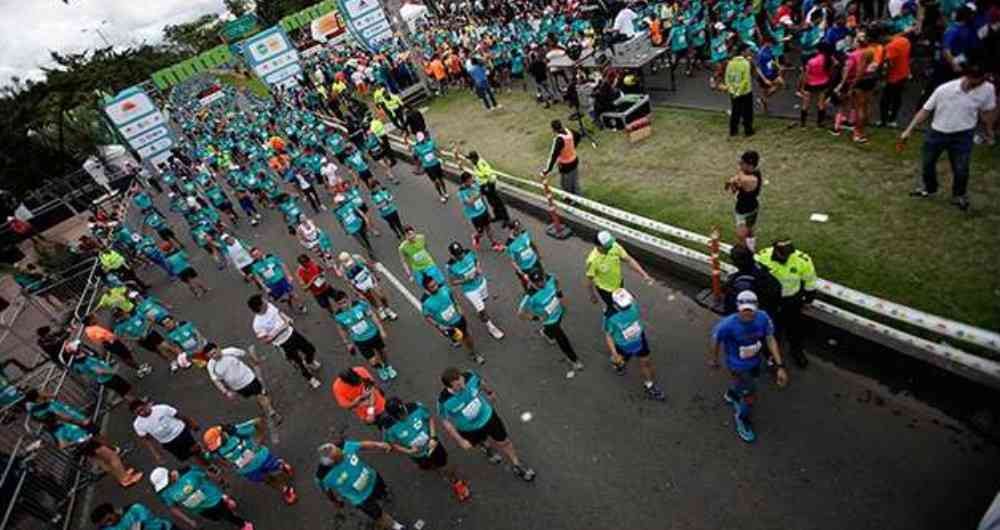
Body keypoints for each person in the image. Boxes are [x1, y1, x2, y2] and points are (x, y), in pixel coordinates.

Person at [901, 60, 995, 211]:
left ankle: (959, 195)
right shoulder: (944, 89)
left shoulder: (988, 89)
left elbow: (987, 111)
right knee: (928, 163)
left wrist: (989, 132)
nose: (978, 84)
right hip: (937, 132)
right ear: (967, 76)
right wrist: (909, 130)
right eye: (974, 80)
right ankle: (929, 188)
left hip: (963, 135)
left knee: (961, 168)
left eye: (981, 80)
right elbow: (925, 110)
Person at [709, 290, 789, 443]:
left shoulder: (763, 317)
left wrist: (780, 366)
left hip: (755, 361)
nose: (747, 315)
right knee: (750, 397)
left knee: (747, 383)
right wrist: (714, 359)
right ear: (737, 307)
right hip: (738, 366)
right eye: (744, 310)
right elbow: (715, 338)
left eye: (751, 310)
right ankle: (742, 419)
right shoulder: (728, 324)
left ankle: (733, 394)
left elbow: (770, 338)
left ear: (757, 307)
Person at [437, 368, 536, 481]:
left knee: (504, 441)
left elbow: (480, 382)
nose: (463, 386)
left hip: (488, 417)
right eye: (458, 386)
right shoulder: (443, 401)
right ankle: (487, 448)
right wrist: (460, 440)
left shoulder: (470, 377)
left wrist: (489, 392)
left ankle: (517, 464)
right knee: (481, 441)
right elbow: (445, 421)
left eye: (462, 381)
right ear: (449, 387)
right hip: (469, 429)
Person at [382, 397, 471, 501]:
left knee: (445, 465)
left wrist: (433, 437)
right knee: (429, 467)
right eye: (399, 416)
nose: (403, 416)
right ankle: (438, 470)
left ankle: (457, 483)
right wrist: (408, 451)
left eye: (403, 412)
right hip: (417, 455)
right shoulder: (388, 426)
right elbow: (391, 444)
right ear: (392, 416)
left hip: (433, 446)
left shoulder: (415, 407)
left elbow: (429, 418)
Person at [315, 440, 407, 530]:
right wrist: (334, 501)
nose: (343, 454)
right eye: (339, 457)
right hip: (361, 499)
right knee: (378, 515)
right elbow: (325, 490)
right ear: (331, 463)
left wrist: (379, 445)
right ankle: (396, 526)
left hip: (373, 479)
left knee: (383, 492)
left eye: (340, 451)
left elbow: (362, 445)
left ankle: (384, 495)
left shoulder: (343, 446)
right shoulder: (323, 477)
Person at [202, 418, 297, 504]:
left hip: (261, 457)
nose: (218, 446)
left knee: (276, 466)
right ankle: (286, 490)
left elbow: (256, 425)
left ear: (223, 433)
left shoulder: (235, 432)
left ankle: (282, 465)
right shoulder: (215, 451)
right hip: (248, 470)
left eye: (218, 442)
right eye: (215, 446)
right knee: (266, 480)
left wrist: (257, 441)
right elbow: (209, 457)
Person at [755, 239, 818, 368]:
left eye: (789, 253)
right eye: (784, 254)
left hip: (792, 300)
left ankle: (796, 351)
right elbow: (755, 275)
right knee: (771, 329)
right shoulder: (763, 256)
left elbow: (810, 281)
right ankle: (772, 355)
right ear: (775, 251)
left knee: (795, 329)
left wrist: (809, 300)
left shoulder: (802, 260)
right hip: (770, 300)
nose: (788, 256)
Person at [517, 270, 584, 379]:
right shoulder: (530, 296)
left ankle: (545, 332)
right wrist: (535, 318)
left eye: (542, 280)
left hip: (559, 312)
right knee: (562, 339)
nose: (541, 284)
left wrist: (559, 293)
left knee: (554, 329)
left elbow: (556, 281)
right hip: (549, 321)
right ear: (531, 283)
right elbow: (520, 313)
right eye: (537, 283)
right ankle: (574, 360)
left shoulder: (549, 279)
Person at [603, 288, 666, 401]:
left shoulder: (633, 305)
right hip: (622, 346)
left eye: (628, 304)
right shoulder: (610, 318)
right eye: (624, 306)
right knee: (621, 361)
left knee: (646, 362)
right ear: (615, 305)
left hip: (639, 339)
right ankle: (618, 365)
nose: (627, 307)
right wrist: (614, 353)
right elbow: (608, 335)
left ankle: (649, 385)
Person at [248, 294, 322, 389]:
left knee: (310, 349)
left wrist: (286, 318)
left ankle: (310, 362)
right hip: (282, 343)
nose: (266, 301)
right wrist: (281, 329)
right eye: (263, 301)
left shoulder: (269, 306)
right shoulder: (257, 324)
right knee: (298, 362)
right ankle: (310, 379)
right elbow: (265, 340)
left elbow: (279, 313)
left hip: (292, 333)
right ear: (260, 306)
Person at [150, 466, 254, 530]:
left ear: (169, 475)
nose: (166, 486)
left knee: (227, 515)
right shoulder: (165, 493)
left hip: (213, 499)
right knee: (217, 518)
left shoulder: (188, 472)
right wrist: (188, 521)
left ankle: (242, 524)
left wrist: (222, 485)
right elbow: (173, 507)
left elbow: (207, 476)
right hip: (200, 510)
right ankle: (227, 506)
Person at [332, 290, 397, 381]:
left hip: (373, 334)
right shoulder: (339, 316)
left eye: (344, 302)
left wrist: (381, 329)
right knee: (373, 360)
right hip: (360, 341)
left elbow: (372, 316)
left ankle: (388, 367)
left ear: (348, 298)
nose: (344, 305)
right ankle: (380, 369)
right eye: (340, 304)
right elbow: (341, 329)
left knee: (382, 352)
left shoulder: (360, 304)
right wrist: (347, 343)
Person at [420, 275, 487, 364]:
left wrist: (458, 306)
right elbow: (427, 316)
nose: (436, 287)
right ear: (426, 289)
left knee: (466, 336)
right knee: (454, 336)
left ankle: (473, 354)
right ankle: (454, 339)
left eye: (435, 284)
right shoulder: (425, 301)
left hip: (458, 319)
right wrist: (438, 325)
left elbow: (453, 296)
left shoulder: (443, 288)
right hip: (446, 326)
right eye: (432, 287)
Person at [205, 343, 280, 422]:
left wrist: (254, 360)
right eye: (210, 355)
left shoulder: (231, 351)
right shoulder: (211, 366)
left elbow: (245, 354)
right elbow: (216, 380)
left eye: (214, 353)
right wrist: (226, 392)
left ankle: (272, 412)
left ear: (218, 348)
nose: (214, 356)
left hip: (249, 378)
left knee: (259, 395)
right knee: (255, 396)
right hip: (238, 387)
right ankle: (263, 398)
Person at [445, 242, 505, 341]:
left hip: (481, 283)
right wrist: (466, 280)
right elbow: (452, 282)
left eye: (461, 253)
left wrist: (478, 268)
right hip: (470, 290)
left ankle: (481, 313)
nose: (461, 256)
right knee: (482, 310)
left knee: (484, 301)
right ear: (453, 255)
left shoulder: (468, 252)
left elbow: (476, 261)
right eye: (458, 255)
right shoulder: (450, 266)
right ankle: (491, 327)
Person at [585, 231, 654, 313]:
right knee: (611, 307)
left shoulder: (615, 246)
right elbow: (589, 280)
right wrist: (592, 295)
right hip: (605, 290)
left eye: (610, 245)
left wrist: (644, 275)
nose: (610, 247)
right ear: (598, 246)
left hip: (619, 284)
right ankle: (609, 312)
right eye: (607, 246)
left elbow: (629, 260)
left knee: (624, 305)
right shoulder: (592, 260)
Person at [131, 400, 212, 469]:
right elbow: (147, 440)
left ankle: (208, 463)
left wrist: (192, 423)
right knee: (187, 456)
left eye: (142, 409)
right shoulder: (138, 424)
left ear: (146, 405)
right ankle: (203, 460)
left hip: (181, 433)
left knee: (196, 451)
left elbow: (179, 415)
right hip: (168, 443)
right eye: (138, 413)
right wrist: (156, 454)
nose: (142, 413)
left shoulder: (161, 408)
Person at [82, 314, 150, 377]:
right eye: (93, 318)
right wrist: (112, 339)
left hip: (111, 343)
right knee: (125, 356)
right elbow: (101, 337)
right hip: (111, 343)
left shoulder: (91, 328)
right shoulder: (92, 329)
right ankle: (140, 368)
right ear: (90, 321)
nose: (96, 318)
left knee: (126, 355)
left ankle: (139, 367)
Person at [723, 244, 782, 317]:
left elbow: (731, 308)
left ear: (735, 263)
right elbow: (777, 287)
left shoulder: (738, 284)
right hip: (768, 313)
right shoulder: (763, 270)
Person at [337, 252, 399, 321]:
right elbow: (348, 282)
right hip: (359, 285)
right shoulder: (342, 269)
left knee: (381, 295)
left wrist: (375, 274)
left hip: (368, 278)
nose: (350, 265)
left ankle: (388, 310)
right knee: (370, 298)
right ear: (342, 262)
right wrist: (356, 292)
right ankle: (379, 310)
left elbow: (368, 265)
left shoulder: (357, 258)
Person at [249, 247, 307, 314]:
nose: (257, 256)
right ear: (253, 257)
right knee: (280, 297)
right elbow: (258, 278)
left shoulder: (271, 257)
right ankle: (288, 301)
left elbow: (282, 265)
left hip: (281, 280)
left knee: (292, 293)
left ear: (260, 251)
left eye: (257, 253)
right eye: (255, 255)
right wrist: (265, 287)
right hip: (272, 284)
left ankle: (300, 305)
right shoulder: (254, 266)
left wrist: (288, 276)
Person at [725, 151, 763, 251]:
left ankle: (745, 256)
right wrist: (734, 183)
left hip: (744, 211)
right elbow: (734, 189)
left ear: (750, 164)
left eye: (742, 163)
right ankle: (751, 249)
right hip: (752, 207)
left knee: (741, 236)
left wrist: (732, 181)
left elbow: (739, 179)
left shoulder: (750, 179)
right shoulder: (752, 172)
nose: (739, 165)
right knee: (749, 231)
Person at [466, 151, 510, 228]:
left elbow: (489, 174)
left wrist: (488, 185)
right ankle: (498, 216)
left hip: (488, 185)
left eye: (471, 159)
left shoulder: (481, 164)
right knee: (492, 202)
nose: (470, 161)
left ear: (474, 158)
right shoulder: (476, 164)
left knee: (497, 202)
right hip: (483, 185)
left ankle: (506, 219)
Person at [720, 43, 755, 137]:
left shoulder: (730, 63)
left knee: (735, 111)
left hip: (733, 92)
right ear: (743, 52)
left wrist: (732, 90)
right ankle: (748, 130)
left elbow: (727, 78)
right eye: (748, 50)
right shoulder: (745, 63)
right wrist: (739, 91)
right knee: (747, 111)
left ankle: (733, 131)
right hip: (745, 92)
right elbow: (746, 80)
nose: (750, 52)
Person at [540, 120, 581, 195]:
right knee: (575, 180)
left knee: (566, 184)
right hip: (574, 160)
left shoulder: (559, 140)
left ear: (553, 129)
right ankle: (578, 196)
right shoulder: (569, 131)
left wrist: (548, 170)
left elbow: (553, 156)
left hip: (565, 165)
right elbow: (578, 135)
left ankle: (569, 200)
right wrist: (573, 146)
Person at [332, 193, 377, 258]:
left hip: (359, 223)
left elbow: (358, 211)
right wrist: (345, 230)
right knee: (361, 241)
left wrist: (364, 218)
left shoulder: (350, 204)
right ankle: (369, 251)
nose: (342, 202)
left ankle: (369, 246)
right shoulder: (338, 212)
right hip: (351, 229)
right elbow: (340, 221)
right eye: (340, 201)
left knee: (365, 237)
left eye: (342, 200)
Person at [412, 132, 449, 202]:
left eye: (422, 140)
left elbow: (437, 150)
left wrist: (443, 158)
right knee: (436, 181)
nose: (421, 141)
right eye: (420, 141)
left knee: (441, 179)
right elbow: (415, 157)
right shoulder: (417, 148)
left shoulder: (430, 143)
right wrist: (417, 166)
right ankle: (441, 195)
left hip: (436, 164)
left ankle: (445, 192)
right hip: (428, 167)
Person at [90, 502, 173, 530]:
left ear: (114, 511)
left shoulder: (135, 509)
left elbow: (141, 525)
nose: (109, 524)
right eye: (104, 524)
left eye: (109, 520)